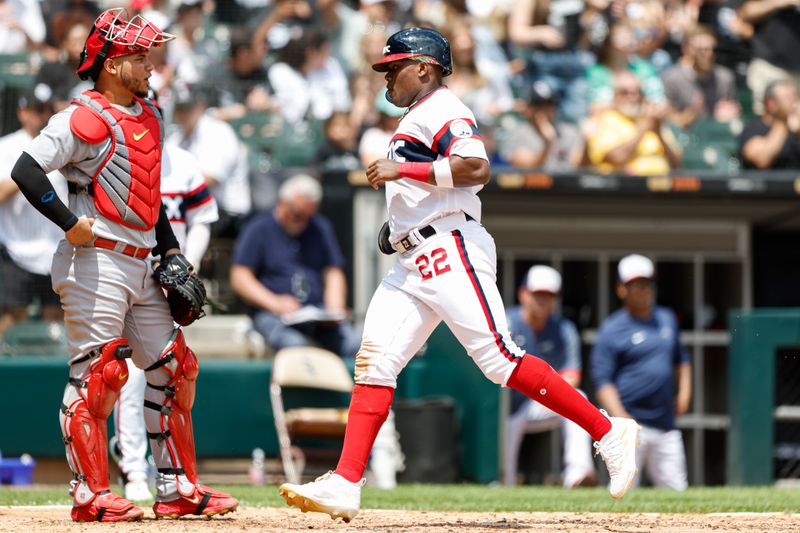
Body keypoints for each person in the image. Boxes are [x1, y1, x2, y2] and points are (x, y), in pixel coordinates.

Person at [278, 27, 640, 523]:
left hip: (450, 247)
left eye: (395, 66)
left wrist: (402, 175)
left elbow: (475, 166)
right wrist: (397, 229)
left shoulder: (444, 108)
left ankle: (607, 432)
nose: (386, 75)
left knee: (498, 359)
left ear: (424, 68)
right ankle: (345, 481)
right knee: (375, 362)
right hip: (414, 258)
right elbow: (436, 185)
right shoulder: (415, 118)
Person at [9, 8, 237, 521]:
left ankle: (176, 488)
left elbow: (147, 195)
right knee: (99, 375)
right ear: (112, 63)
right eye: (138, 55)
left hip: (142, 261)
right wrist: (68, 221)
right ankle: (90, 495)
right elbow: (25, 168)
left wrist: (172, 249)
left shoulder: (148, 113)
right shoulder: (82, 117)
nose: (150, 63)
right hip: (94, 260)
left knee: (176, 368)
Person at [112, 141, 220, 502]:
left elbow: (203, 218)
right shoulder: (115, 158)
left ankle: (173, 479)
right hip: (130, 275)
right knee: (123, 381)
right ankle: (133, 469)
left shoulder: (184, 162)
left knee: (173, 374)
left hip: (169, 282)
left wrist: (189, 262)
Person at [230, 173, 361, 359]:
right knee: (296, 347)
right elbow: (240, 277)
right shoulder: (259, 228)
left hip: (316, 312)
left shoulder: (319, 228)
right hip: (272, 313)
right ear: (282, 204)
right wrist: (275, 302)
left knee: (355, 343)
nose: (303, 222)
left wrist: (335, 308)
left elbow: (333, 272)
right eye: (298, 214)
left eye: (309, 216)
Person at [590, 254, 691, 491]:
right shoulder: (612, 329)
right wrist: (621, 416)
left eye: (647, 284)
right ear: (621, 289)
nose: (644, 290)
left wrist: (685, 394)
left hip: (666, 423)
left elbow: (682, 360)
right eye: (636, 285)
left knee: (677, 491)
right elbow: (602, 381)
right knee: (623, 491)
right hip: (631, 424)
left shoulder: (666, 318)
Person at [503, 265, 596, 488]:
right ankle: (501, 482)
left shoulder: (564, 329)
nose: (543, 301)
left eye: (549, 296)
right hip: (505, 406)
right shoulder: (507, 322)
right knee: (504, 470)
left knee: (578, 397)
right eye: (538, 295)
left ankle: (578, 473)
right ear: (523, 294)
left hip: (538, 401)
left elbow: (571, 376)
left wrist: (543, 391)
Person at [0, 85, 66, 339]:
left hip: (55, 250)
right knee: (12, 319)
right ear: (22, 112)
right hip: (16, 249)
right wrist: (29, 173)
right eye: (37, 110)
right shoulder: (6, 146)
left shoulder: (62, 148)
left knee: (56, 320)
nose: (42, 115)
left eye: (47, 110)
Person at [583, 70, 682, 176]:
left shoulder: (653, 120)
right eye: (625, 92)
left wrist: (659, 134)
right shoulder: (605, 120)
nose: (633, 97)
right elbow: (615, 158)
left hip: (663, 187)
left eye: (638, 92)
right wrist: (644, 129)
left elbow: (677, 164)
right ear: (614, 95)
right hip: (624, 188)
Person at [739, 79, 800, 169]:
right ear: (771, 104)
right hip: (769, 182)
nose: (795, 103)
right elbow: (761, 160)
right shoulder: (754, 128)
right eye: (789, 98)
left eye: (796, 97)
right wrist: (783, 124)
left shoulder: (797, 128)